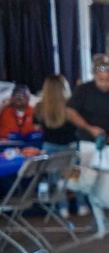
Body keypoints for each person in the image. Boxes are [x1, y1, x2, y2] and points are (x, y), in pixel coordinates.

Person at [33, 75, 79, 217]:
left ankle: (62, 208)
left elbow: (35, 128)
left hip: (50, 146)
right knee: (74, 177)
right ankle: (82, 206)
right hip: (70, 145)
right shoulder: (71, 104)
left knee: (56, 180)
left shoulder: (40, 107)